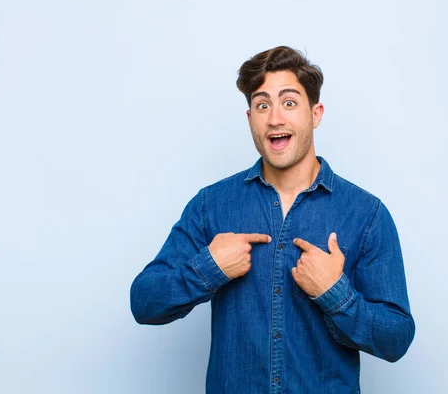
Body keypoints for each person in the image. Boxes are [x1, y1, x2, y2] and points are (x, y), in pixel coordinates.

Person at [130, 46, 415, 393]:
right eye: (263, 105)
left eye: (289, 103)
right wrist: (208, 268)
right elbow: (143, 302)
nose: (275, 118)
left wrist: (334, 293)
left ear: (316, 113)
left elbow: (396, 339)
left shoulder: (367, 215)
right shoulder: (211, 206)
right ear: (250, 118)